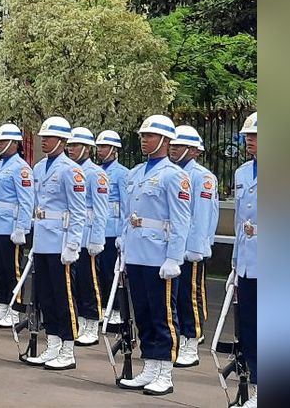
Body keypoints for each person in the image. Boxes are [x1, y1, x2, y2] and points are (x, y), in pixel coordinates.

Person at [116, 115, 191, 396]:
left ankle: (165, 372)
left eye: (149, 136)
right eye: (143, 135)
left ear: (165, 140)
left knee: (163, 315)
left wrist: (174, 257)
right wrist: (124, 245)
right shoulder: (135, 173)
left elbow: (181, 220)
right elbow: (129, 214)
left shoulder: (175, 176)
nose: (144, 140)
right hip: (137, 252)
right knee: (143, 313)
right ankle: (149, 365)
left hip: (159, 254)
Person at [25, 116, 87, 370]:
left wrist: (72, 244)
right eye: (43, 138)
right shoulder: (39, 168)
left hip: (61, 242)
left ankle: (68, 348)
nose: (44, 141)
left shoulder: (71, 170)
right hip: (43, 240)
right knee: (46, 297)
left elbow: (78, 210)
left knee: (64, 296)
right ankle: (52, 343)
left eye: (49, 138)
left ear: (62, 141)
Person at [168, 125, 218, 368]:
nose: (173, 148)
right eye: (173, 144)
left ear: (193, 150)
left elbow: (202, 216)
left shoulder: (202, 177)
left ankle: (192, 338)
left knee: (191, 294)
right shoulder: (170, 173)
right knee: (173, 297)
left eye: (178, 145)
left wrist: (196, 247)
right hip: (170, 246)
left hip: (190, 247)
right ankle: (179, 337)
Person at [0, 123, 33, 329]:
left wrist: (21, 227)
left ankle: (15, 307)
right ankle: (3, 305)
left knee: (13, 270)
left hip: (10, 227)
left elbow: (26, 200)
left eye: (2, 141)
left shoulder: (21, 168)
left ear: (14, 143)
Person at [64, 127, 109, 347]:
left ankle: (91, 321)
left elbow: (101, 210)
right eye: (69, 145)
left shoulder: (96, 174)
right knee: (73, 282)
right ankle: (79, 318)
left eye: (75, 145)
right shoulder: (68, 170)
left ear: (87, 148)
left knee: (89, 281)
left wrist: (97, 238)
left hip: (88, 233)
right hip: (70, 234)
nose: (70, 149)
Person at [231, 112, 257, 407]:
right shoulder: (240, 173)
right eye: (248, 135)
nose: (249, 139)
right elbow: (240, 222)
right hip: (248, 263)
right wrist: (236, 263)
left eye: (255, 136)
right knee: (250, 327)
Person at [94, 130, 129, 326]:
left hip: (113, 229)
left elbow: (126, 206)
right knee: (97, 272)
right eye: (99, 146)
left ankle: (115, 309)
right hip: (98, 229)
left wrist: (123, 233)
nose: (100, 150)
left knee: (110, 272)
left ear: (114, 149)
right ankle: (102, 306)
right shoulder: (97, 171)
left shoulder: (122, 173)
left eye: (104, 147)